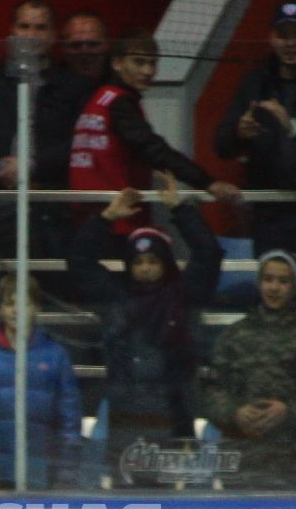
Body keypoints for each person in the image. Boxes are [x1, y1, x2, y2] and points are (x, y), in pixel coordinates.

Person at [69, 184, 224, 485]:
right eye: (138, 262)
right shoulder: (115, 294)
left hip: (173, 416)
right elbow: (79, 261)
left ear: (165, 263)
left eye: (153, 261)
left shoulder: (184, 294)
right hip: (124, 417)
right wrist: (106, 218)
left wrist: (180, 212)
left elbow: (209, 254)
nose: (145, 268)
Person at [212, 2, 296, 307]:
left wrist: (294, 126)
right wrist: (238, 133)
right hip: (271, 212)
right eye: (283, 35)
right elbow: (221, 146)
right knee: (271, 295)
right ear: (272, 39)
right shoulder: (254, 82)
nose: (290, 43)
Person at [0, 0, 88, 256]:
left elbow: (79, 142)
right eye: (24, 26)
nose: (31, 35)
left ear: (53, 35)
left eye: (40, 27)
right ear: (12, 32)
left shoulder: (74, 86)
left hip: (50, 206)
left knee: (52, 282)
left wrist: (33, 166)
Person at [70, 29, 240, 235]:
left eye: (152, 63)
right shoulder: (119, 102)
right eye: (139, 62)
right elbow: (152, 148)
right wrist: (207, 182)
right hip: (118, 219)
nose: (148, 71)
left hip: (91, 217)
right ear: (117, 63)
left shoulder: (98, 99)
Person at [203, 249, 296, 489]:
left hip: (294, 466)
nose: (274, 288)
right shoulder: (234, 336)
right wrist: (235, 413)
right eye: (268, 279)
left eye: (283, 281)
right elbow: (211, 392)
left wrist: (288, 411)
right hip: (241, 463)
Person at [0, 275, 83, 488]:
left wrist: (66, 470)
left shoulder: (55, 355)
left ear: (36, 308)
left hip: (41, 471)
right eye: (9, 304)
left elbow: (69, 419)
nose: (16, 311)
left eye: (24, 304)